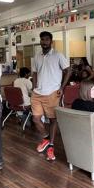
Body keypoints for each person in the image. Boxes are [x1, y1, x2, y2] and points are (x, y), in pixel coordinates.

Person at [31, 31, 71, 161]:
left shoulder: (58, 55)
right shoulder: (36, 56)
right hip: (38, 93)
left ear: (51, 41)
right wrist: (34, 86)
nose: (44, 42)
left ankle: (51, 146)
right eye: (42, 40)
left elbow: (68, 70)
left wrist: (61, 87)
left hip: (52, 92)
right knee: (36, 119)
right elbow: (35, 72)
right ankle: (46, 138)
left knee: (53, 120)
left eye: (47, 40)